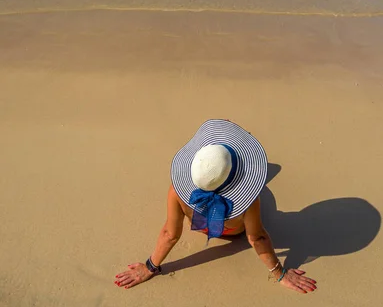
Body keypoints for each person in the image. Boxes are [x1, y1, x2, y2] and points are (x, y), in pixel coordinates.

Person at [114, 119, 317, 294]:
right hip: (233, 230)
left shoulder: (176, 192)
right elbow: (257, 237)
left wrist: (150, 267)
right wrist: (279, 274)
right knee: (257, 187)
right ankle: (228, 158)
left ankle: (221, 162)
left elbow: (170, 234)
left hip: (201, 224)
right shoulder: (247, 201)